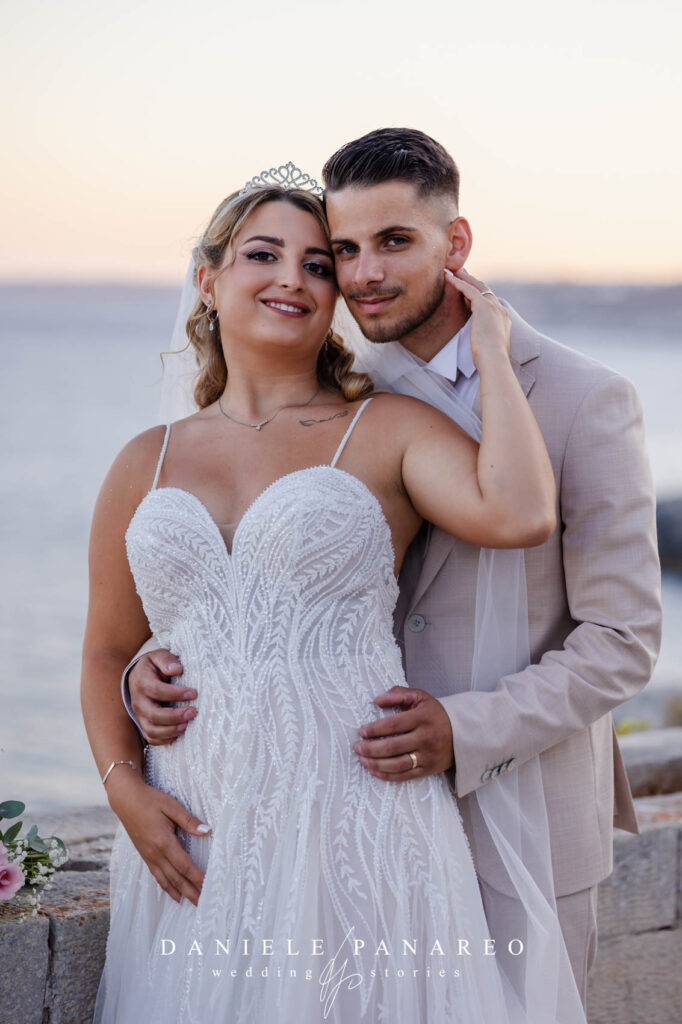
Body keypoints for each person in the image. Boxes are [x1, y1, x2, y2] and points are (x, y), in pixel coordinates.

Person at [127, 129, 663, 1009]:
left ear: (456, 243)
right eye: (344, 249)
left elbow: (623, 639)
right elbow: (245, 582)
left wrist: (464, 731)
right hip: (342, 820)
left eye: (395, 241)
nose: (365, 273)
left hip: (522, 814)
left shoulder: (583, 399)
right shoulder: (337, 391)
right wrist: (146, 669)